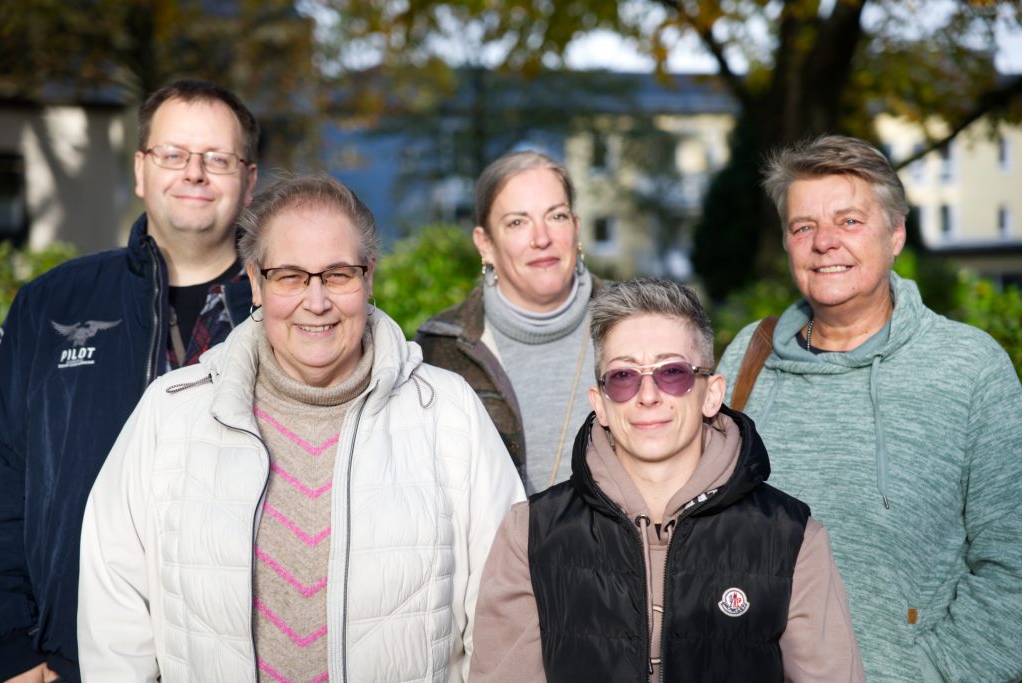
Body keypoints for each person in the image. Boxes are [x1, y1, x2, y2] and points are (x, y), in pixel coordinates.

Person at [77, 173, 524, 682]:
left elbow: (504, 609)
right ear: (255, 283)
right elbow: (114, 618)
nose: (316, 301)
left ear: (369, 277)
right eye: (290, 275)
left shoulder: (447, 411)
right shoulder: (171, 413)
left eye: (337, 274)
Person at [716, 134, 1022, 681]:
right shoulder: (748, 358)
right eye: (803, 226)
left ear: (896, 233)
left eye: (850, 221)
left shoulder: (970, 369)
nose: (824, 242)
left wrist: (927, 673)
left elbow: (1012, 565)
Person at [470, 278, 863, 682]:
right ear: (600, 403)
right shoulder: (530, 533)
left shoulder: (793, 538)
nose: (648, 394)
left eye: (672, 372)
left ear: (711, 393)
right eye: (623, 376)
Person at [0, 79, 259, 683]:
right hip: (70, 658)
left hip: (242, 659)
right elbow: (3, 476)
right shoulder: (51, 304)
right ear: (141, 171)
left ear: (248, 180)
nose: (194, 173)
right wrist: (13, 645)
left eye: (216, 159)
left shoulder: (287, 312)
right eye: (173, 154)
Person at [416, 151, 601, 495]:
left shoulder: (634, 323)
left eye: (556, 216)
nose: (541, 238)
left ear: (576, 228)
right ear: (485, 244)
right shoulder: (439, 348)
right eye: (518, 222)